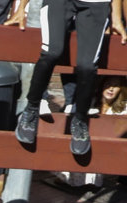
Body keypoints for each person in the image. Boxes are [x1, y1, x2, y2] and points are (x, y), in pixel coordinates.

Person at [10, 0, 126, 155]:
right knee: (51, 52)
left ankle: (80, 119)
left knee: (87, 66)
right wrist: (21, 8)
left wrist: (116, 18)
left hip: (96, 3)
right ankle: (31, 108)